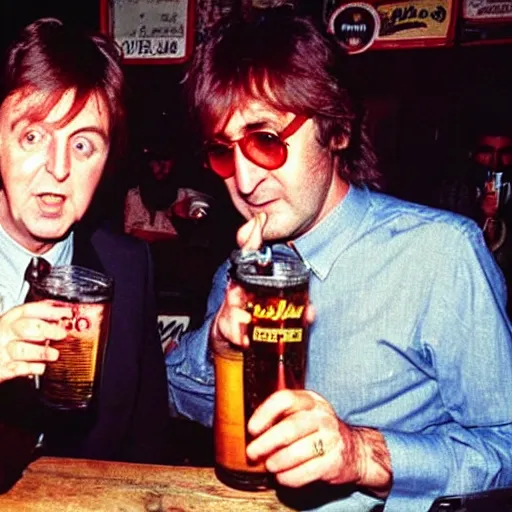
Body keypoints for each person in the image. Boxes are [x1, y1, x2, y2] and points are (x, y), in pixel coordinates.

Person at [166, 5, 512, 511]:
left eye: (265, 141)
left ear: (337, 130)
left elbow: (506, 446)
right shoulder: (244, 266)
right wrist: (218, 347)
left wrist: (364, 454)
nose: (241, 181)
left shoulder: (440, 255)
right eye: (222, 151)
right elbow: (181, 403)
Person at [0, 18, 170, 490]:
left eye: (83, 144)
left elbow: (146, 445)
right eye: (33, 136)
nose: (59, 169)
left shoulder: (129, 268)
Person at [439, 119, 512, 315]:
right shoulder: (452, 192)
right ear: (473, 154)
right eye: (487, 152)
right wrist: (484, 217)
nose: (495, 162)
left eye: (504, 153)